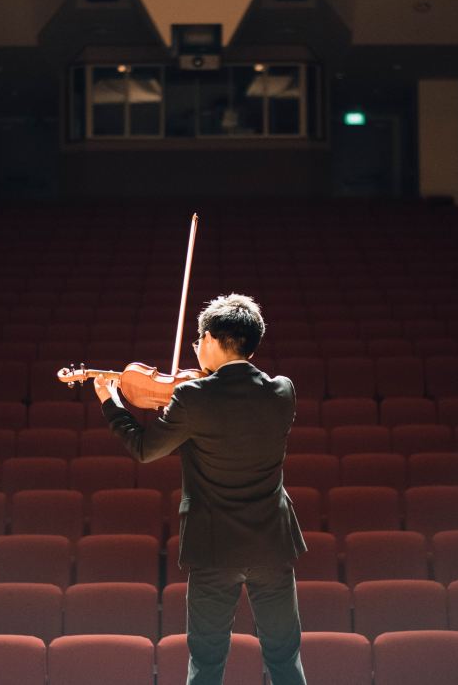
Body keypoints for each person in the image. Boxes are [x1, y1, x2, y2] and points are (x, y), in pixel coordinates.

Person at [93, 293, 307, 685]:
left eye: (197, 341)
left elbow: (144, 448)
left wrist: (112, 401)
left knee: (207, 662)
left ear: (209, 339)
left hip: (214, 546)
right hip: (272, 543)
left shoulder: (192, 397)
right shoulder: (283, 391)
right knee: (284, 656)